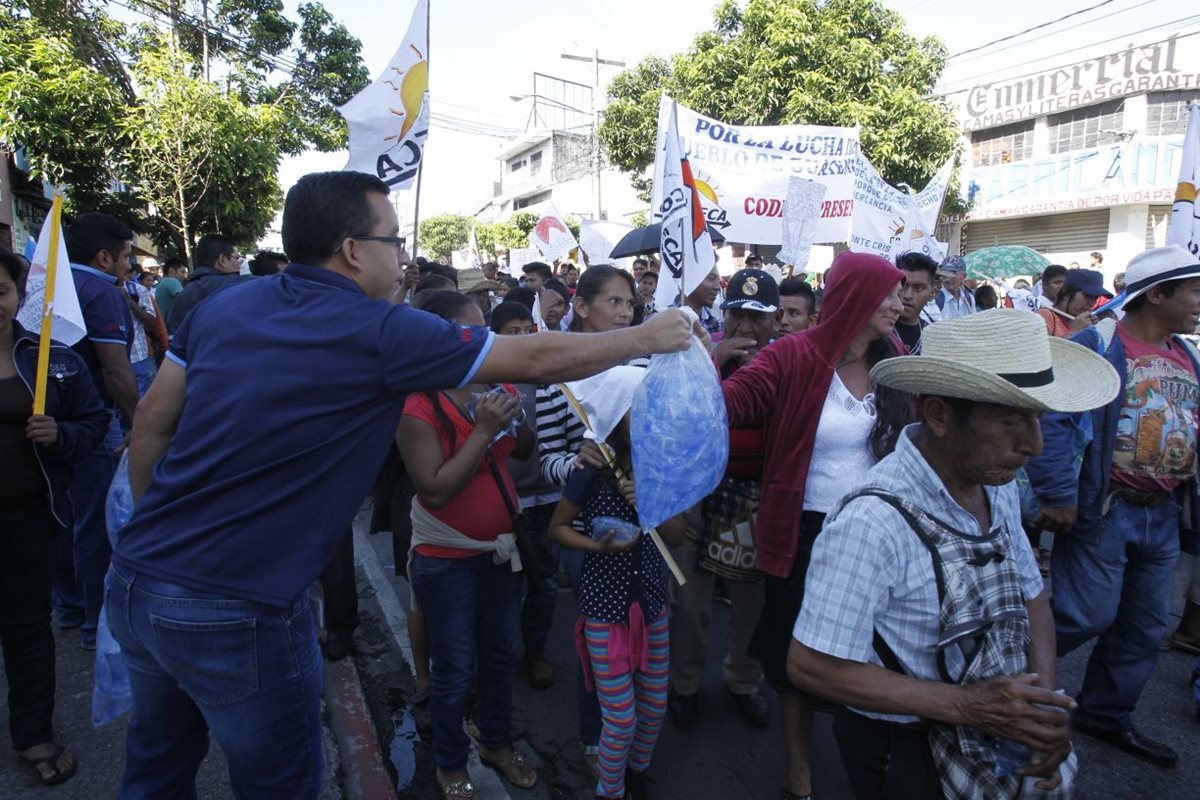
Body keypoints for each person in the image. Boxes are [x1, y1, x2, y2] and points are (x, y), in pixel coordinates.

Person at [105, 171, 693, 799]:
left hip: (138, 578)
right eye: (395, 241)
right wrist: (645, 337)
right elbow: (536, 359)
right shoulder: (379, 331)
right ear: (353, 249)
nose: (406, 257)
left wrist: (160, 535)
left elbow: (151, 423)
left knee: (157, 770)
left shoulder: (222, 304)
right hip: (238, 602)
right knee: (280, 784)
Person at [791, 309, 1116, 798]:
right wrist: (967, 706)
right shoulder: (870, 522)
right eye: (1010, 422)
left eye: (1037, 419)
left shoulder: (995, 482)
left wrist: (1041, 708)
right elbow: (812, 665)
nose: (1033, 443)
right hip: (902, 750)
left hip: (993, 732)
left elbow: (1033, 597)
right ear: (939, 415)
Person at [722, 252, 912, 800]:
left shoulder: (893, 357)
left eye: (902, 293)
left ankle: (868, 761)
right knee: (798, 655)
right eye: (890, 294)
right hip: (806, 533)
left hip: (878, 533)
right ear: (855, 297)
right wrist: (712, 358)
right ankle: (799, 767)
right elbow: (732, 402)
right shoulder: (792, 355)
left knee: (871, 651)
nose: (900, 305)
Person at [1024, 245, 1200, 768]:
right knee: (1086, 613)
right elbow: (1052, 420)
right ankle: (1009, 676)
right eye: (1193, 291)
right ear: (1158, 293)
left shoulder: (1186, 355)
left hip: (1163, 513)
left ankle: (1105, 713)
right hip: (1108, 509)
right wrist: (1057, 493)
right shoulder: (1096, 344)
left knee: (1145, 627)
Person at [398, 290, 538, 797]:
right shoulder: (419, 404)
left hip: (500, 555)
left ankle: (496, 743)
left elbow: (522, 453)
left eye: (486, 328)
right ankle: (450, 763)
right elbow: (434, 489)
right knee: (454, 670)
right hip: (446, 561)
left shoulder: (492, 385)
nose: (486, 340)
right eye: (473, 330)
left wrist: (516, 419)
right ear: (439, 339)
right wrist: (482, 430)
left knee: (502, 656)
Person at [550, 366, 686, 800]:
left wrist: (652, 505)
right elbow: (558, 528)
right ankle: (610, 790)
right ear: (615, 413)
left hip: (651, 603)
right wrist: (598, 548)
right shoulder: (591, 466)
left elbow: (678, 537)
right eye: (637, 408)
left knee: (653, 708)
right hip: (604, 610)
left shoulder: (659, 462)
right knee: (621, 718)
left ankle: (637, 774)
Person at [1, 246, 107, 786]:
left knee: (26, 632)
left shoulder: (51, 359)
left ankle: (33, 734)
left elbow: (93, 423)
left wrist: (60, 435)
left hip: (26, 520)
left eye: (0, 291)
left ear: (19, 294)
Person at [536, 263, 645, 775]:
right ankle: (595, 734)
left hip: (642, 525)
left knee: (641, 628)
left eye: (630, 303)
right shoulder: (558, 372)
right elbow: (546, 459)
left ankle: (634, 737)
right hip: (582, 528)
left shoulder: (640, 361)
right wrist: (579, 460)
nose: (625, 312)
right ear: (581, 307)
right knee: (597, 636)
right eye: (613, 303)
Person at [669, 270, 778, 732]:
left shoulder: (785, 361)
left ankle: (742, 682)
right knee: (690, 605)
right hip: (698, 497)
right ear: (724, 314)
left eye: (758, 317)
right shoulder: (696, 353)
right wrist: (713, 359)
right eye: (737, 314)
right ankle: (685, 685)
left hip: (755, 501)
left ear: (774, 323)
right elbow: (678, 415)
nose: (746, 327)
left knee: (750, 606)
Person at [59, 212, 137, 649]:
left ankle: (69, 605)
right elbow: (116, 371)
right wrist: (139, 420)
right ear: (104, 257)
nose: (129, 266)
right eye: (126, 257)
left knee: (62, 519)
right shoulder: (100, 292)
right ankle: (97, 623)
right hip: (93, 423)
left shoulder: (47, 285)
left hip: (49, 425)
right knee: (97, 524)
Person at [490, 300, 558, 689]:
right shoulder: (485, 378)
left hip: (545, 498)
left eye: (524, 330)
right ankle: (501, 657)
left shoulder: (545, 375)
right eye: (509, 332)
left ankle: (536, 653)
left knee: (544, 583)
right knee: (505, 587)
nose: (519, 339)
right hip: (503, 500)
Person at [166, 234, 246, 332]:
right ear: (222, 260)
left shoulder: (186, 291)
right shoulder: (238, 286)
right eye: (237, 258)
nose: (239, 264)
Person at [1036, 268, 1111, 338]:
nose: (1092, 303)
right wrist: (1075, 332)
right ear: (1066, 292)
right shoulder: (1044, 317)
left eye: (1096, 298)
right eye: (1087, 296)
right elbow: (1042, 350)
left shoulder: (1085, 323)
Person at [123, 272, 161, 396]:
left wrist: (128, 300)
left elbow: (152, 321)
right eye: (148, 280)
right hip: (112, 361)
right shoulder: (99, 289)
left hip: (138, 357)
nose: (128, 267)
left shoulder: (138, 290)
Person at [894, 253, 937, 354]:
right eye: (903, 286)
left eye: (918, 288)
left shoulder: (933, 337)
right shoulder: (876, 330)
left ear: (932, 293)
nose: (908, 295)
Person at [679, 267, 723, 336]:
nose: (718, 287)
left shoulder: (716, 325)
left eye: (718, 280)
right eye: (711, 278)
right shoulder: (664, 321)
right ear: (690, 279)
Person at [154, 258, 188, 325]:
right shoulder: (172, 281)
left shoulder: (161, 283)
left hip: (165, 326)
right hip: (174, 327)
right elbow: (185, 300)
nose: (184, 276)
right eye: (182, 272)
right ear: (172, 271)